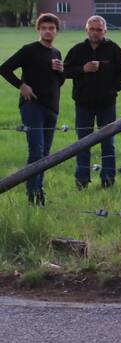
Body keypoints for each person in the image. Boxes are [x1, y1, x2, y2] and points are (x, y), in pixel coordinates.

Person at [0, 13, 65, 205]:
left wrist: (60, 71)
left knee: (45, 154)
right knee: (36, 151)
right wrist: (22, 86)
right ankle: (33, 194)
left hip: (52, 107)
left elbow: (58, 82)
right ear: (39, 30)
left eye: (51, 28)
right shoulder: (29, 50)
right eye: (44, 28)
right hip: (32, 106)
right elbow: (4, 69)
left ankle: (39, 191)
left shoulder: (56, 53)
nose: (48, 31)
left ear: (56, 31)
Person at [64, 15, 121, 189]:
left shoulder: (113, 49)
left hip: (107, 104)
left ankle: (108, 179)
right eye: (92, 29)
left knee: (108, 143)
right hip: (83, 104)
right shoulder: (78, 50)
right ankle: (82, 180)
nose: (95, 33)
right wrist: (82, 69)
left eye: (99, 30)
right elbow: (65, 71)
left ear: (105, 31)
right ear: (86, 30)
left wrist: (113, 89)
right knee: (83, 143)